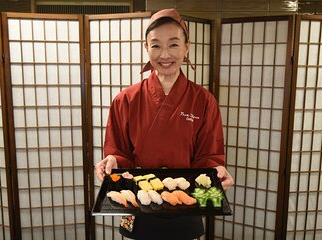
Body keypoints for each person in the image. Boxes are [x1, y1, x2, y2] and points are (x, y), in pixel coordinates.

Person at [95, 8, 234, 240]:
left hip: (185, 202)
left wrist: (215, 172)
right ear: (146, 47)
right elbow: (119, 152)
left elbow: (208, 155)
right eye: (156, 45)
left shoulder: (204, 101)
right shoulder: (126, 100)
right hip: (137, 203)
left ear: (187, 46)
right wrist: (113, 160)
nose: (165, 54)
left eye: (174, 44)